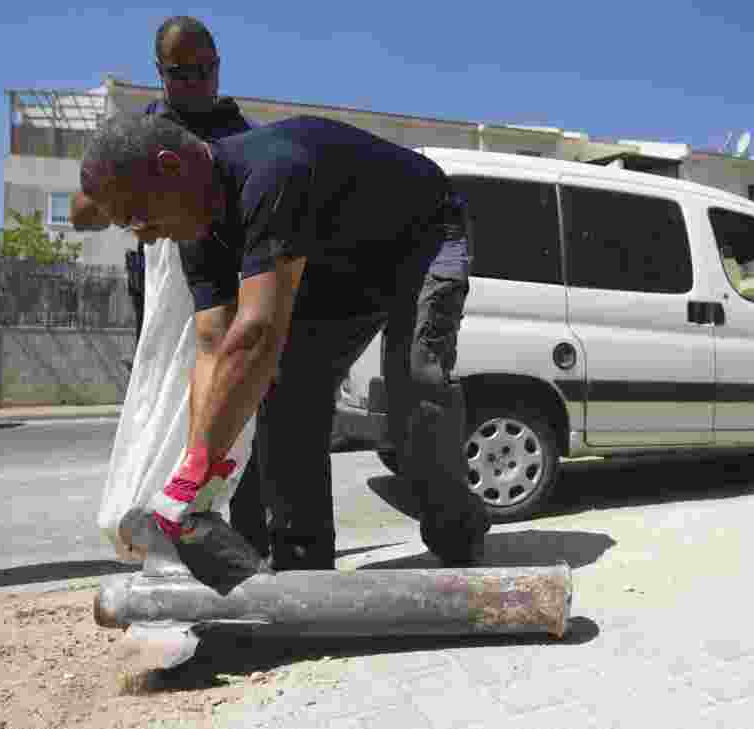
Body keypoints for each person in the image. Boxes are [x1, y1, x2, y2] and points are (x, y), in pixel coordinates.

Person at [79, 111, 491, 572]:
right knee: (286, 390)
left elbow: (256, 334)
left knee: (415, 380)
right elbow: (214, 347)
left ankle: (457, 536)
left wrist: (195, 472)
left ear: (171, 168)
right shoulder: (193, 231)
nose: (144, 236)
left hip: (422, 238)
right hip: (338, 270)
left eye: (137, 216)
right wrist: (197, 469)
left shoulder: (273, 174)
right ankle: (302, 564)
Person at [72, 16, 272, 557]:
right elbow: (83, 212)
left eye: (205, 70)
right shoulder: (142, 131)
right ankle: (166, 534)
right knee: (161, 401)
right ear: (161, 74)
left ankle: (239, 543)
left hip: (222, 285)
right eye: (182, 72)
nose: (196, 82)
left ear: (219, 68)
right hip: (165, 290)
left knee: (233, 405)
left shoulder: (239, 134)